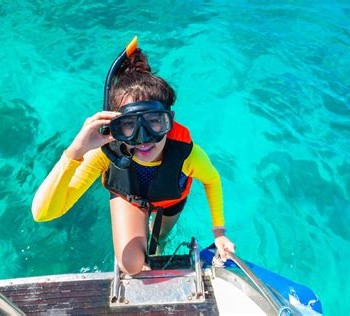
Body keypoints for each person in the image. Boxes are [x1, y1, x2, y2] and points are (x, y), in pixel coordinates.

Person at [31, 37, 235, 275]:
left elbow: (212, 179)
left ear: (169, 120)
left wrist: (219, 232)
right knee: (132, 265)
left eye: (154, 123)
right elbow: (43, 213)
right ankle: (139, 232)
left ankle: (154, 241)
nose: (144, 138)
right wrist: (75, 151)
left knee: (158, 243)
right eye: (129, 125)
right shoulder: (105, 154)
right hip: (130, 197)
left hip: (169, 201)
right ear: (114, 126)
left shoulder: (187, 154)